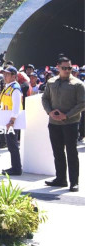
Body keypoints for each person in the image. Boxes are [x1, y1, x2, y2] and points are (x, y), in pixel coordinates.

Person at [42, 55, 85, 192]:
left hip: (70, 123)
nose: (67, 70)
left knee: (72, 153)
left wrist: (66, 115)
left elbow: (82, 103)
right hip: (54, 123)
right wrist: (49, 112)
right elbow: (45, 99)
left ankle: (74, 182)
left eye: (70, 68)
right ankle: (60, 179)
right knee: (58, 152)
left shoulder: (78, 84)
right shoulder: (51, 82)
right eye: (65, 68)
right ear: (58, 67)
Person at [0, 66, 23, 176]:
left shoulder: (15, 88)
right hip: (8, 120)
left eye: (7, 74)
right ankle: (15, 167)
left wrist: (12, 121)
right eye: (4, 74)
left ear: (14, 76)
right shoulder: (9, 87)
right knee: (11, 145)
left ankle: (16, 168)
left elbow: (16, 107)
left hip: (12, 122)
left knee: (12, 145)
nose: (5, 76)